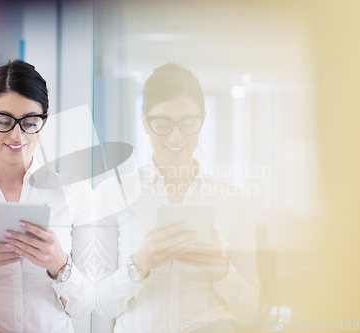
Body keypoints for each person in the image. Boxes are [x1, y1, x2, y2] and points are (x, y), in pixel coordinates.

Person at [94, 63, 260, 333]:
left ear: (202, 121)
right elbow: (100, 305)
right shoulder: (113, 194)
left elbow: (250, 308)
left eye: (188, 123)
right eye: (162, 123)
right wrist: (139, 264)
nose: (176, 136)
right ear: (145, 123)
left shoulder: (232, 200)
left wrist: (219, 267)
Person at [0, 60, 94, 333]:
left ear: (44, 119)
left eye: (29, 122)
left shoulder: (75, 194)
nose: (17, 134)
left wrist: (59, 265)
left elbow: (85, 308)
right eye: (3, 121)